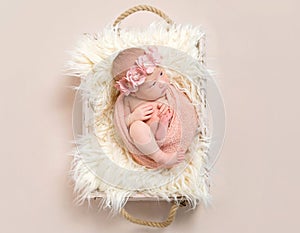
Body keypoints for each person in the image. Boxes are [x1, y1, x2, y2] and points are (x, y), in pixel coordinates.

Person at [112, 47, 185, 168]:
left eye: (161, 74)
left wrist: (167, 111)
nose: (163, 82)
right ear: (133, 91)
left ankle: (163, 128)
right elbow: (120, 123)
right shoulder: (129, 100)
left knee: (165, 119)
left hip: (165, 132)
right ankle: (160, 157)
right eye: (153, 84)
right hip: (146, 144)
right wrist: (133, 117)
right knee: (137, 128)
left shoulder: (167, 91)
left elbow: (181, 105)